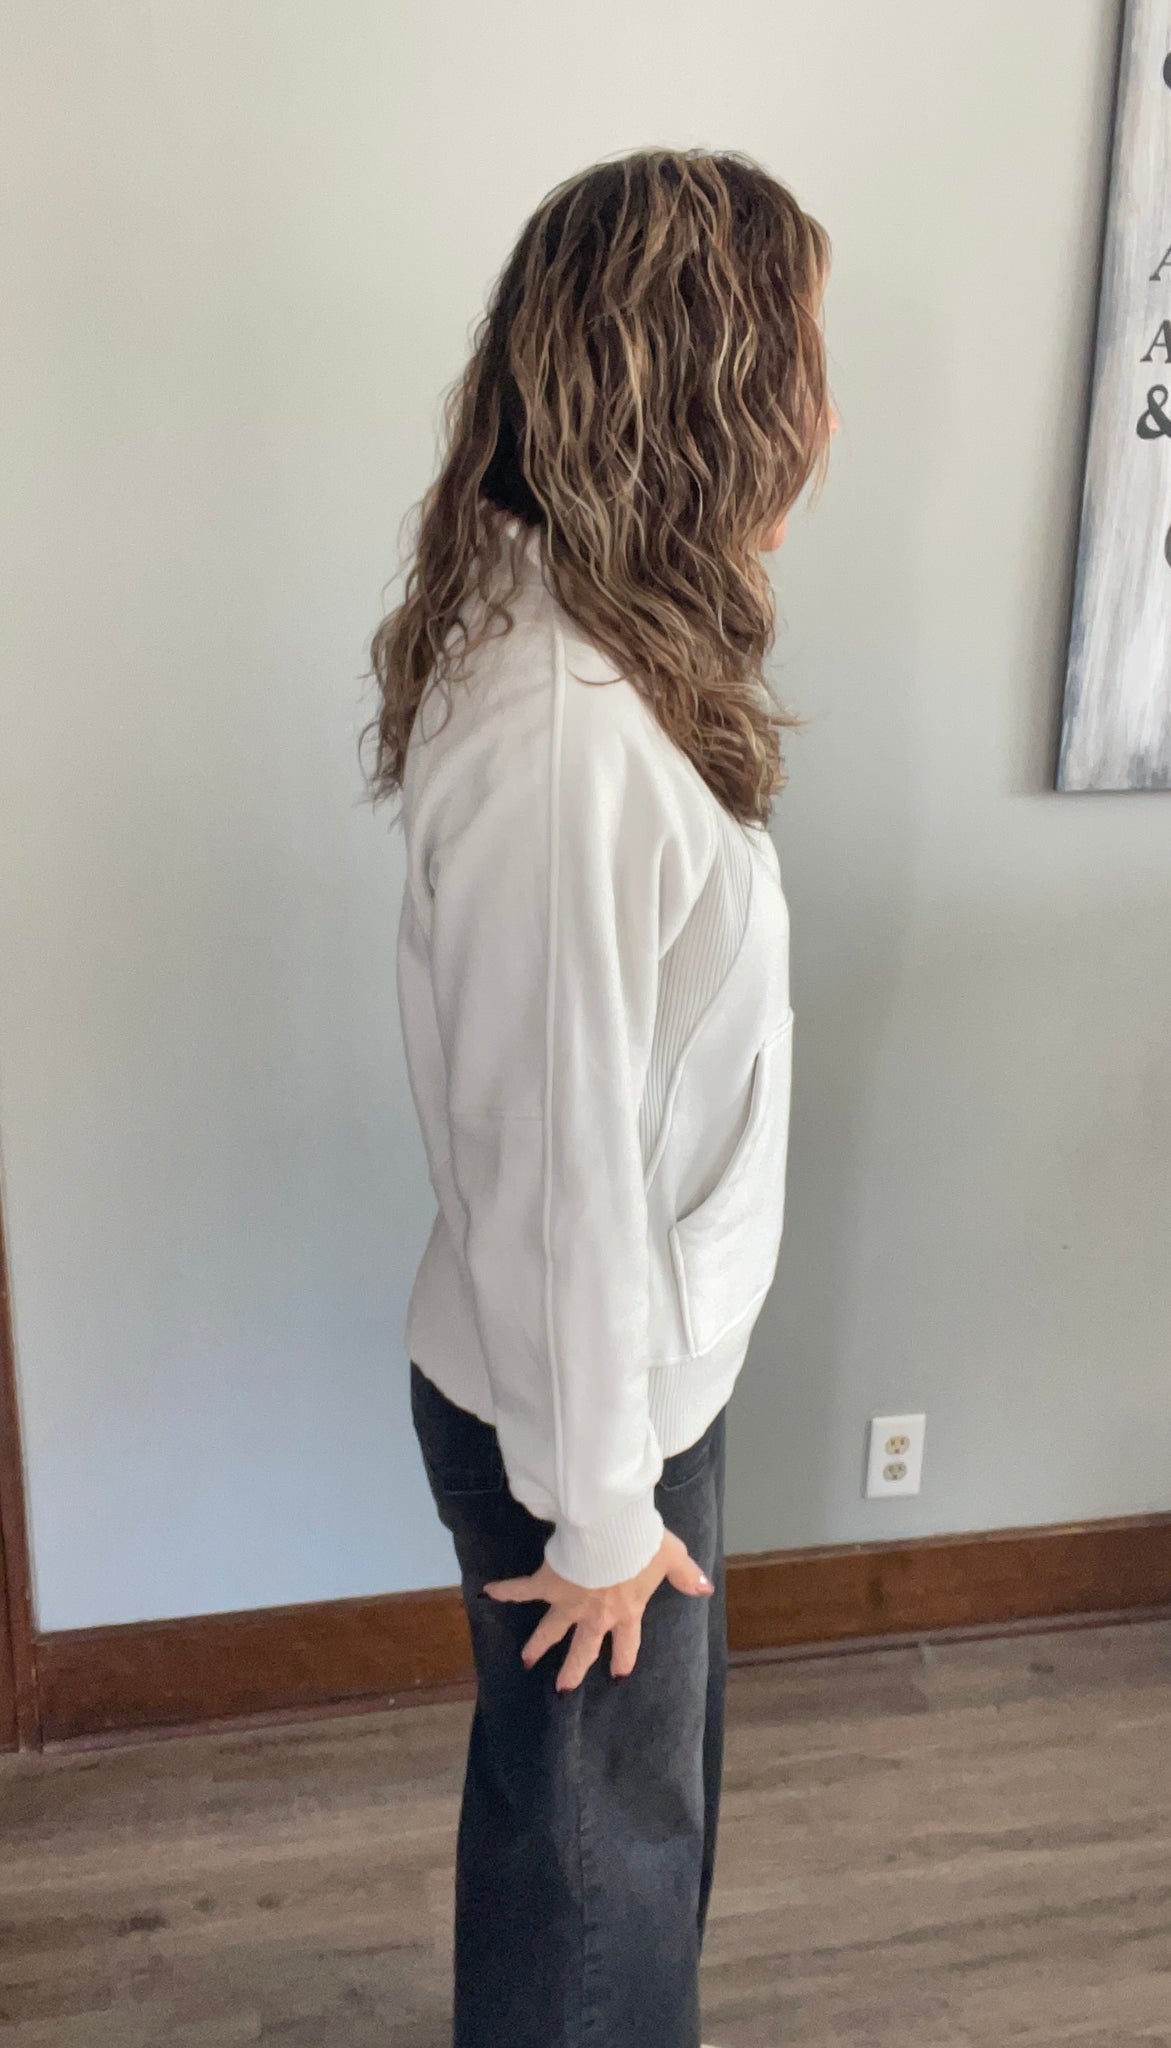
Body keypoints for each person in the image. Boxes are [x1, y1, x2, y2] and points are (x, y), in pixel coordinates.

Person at [364, 146, 835, 2048]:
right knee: (600, 1893)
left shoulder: (591, 648)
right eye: (805, 360)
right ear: (714, 392)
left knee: (603, 1852)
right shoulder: (568, 737)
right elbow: (554, 1165)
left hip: (616, 1393)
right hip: (584, 1417)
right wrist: (599, 1518)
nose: (828, 417)